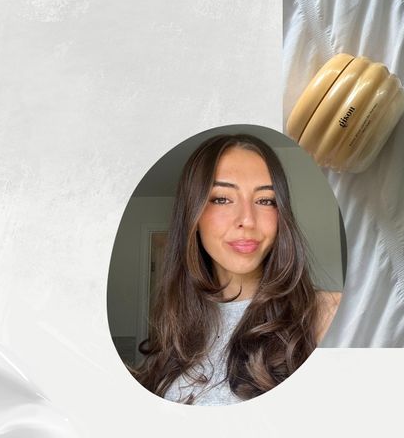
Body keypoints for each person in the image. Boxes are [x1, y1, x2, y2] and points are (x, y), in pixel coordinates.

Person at [134, 133, 341, 404]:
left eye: (266, 200)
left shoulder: (327, 315)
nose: (247, 219)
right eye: (222, 198)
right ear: (193, 216)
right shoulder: (176, 327)